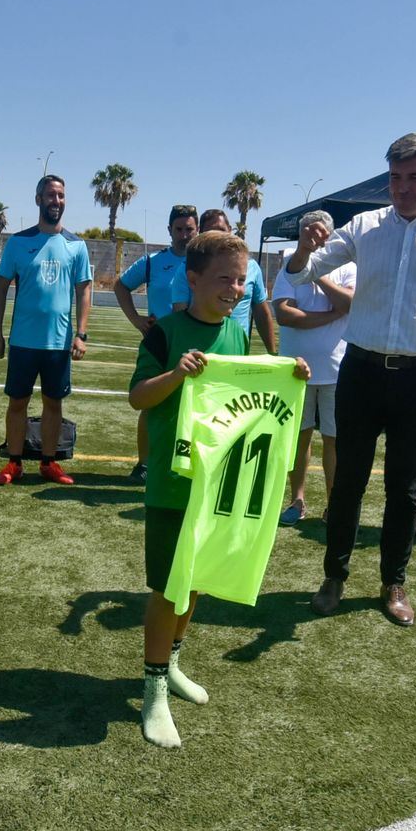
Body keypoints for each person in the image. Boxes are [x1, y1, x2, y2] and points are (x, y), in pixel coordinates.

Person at [285, 132, 416, 627]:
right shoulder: (365, 225)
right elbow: (301, 274)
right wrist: (303, 249)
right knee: (348, 482)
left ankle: (394, 582)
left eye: (413, 177)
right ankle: (334, 576)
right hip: (360, 370)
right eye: (395, 177)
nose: (401, 188)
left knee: (405, 488)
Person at [128, 230, 310, 748]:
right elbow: (138, 398)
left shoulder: (235, 333)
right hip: (172, 483)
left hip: (217, 486)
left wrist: (289, 375)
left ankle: (172, 664)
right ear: (193, 279)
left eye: (241, 279)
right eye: (224, 278)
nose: (234, 288)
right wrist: (176, 374)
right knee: (167, 588)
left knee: (197, 580)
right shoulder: (165, 332)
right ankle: (152, 689)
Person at [0, 175, 92, 486]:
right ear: (38, 200)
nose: (56, 201)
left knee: (53, 404)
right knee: (17, 403)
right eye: (50, 195)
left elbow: (84, 289)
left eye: (60, 195)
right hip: (23, 341)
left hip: (58, 343)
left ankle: (48, 462)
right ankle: (14, 462)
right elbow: (1, 287)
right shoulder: (18, 243)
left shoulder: (76, 246)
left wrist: (81, 334)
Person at [270, 210, 354, 525]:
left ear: (330, 236)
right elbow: (285, 315)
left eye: (319, 232)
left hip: (336, 369)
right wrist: (331, 315)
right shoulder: (289, 265)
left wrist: (316, 271)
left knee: (334, 440)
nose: (313, 236)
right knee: (298, 437)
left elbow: (349, 303)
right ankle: (297, 501)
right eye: (308, 230)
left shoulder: (347, 265)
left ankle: (334, 505)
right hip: (295, 369)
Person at [114, 204, 198, 482]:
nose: (184, 235)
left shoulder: (206, 263)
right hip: (160, 343)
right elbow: (121, 286)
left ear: (197, 230)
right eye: (179, 229)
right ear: (169, 230)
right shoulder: (152, 262)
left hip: (196, 343)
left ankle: (187, 466)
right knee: (151, 404)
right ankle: (144, 464)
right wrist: (136, 320)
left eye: (189, 229)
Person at [170, 209, 276, 353]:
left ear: (230, 230)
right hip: (201, 350)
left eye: (241, 280)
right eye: (211, 231)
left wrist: (273, 353)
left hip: (237, 348)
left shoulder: (252, 267)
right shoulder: (187, 268)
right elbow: (180, 313)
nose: (217, 236)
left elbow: (261, 312)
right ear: (201, 234)